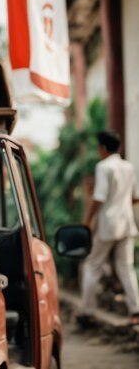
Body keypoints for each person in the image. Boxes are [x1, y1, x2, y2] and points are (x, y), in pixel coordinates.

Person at [78, 130, 139, 328]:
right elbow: (135, 197)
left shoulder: (103, 167)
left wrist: (87, 220)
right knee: (126, 267)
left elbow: (99, 198)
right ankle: (135, 311)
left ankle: (88, 312)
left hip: (108, 225)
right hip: (127, 224)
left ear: (103, 148)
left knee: (92, 266)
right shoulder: (128, 167)